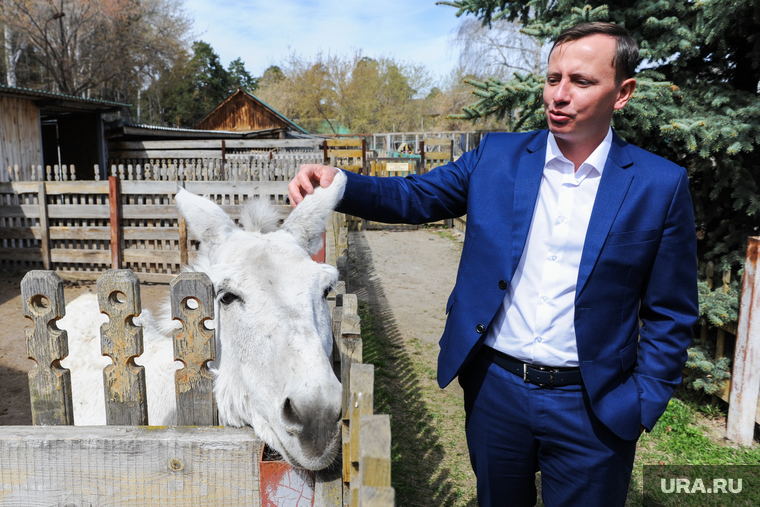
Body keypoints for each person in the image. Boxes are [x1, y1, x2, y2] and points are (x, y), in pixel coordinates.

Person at [289, 22, 698, 507]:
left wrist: (642, 400)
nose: (559, 95)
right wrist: (340, 183)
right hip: (496, 392)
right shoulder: (497, 157)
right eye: (552, 78)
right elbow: (414, 196)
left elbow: (671, 312)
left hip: (594, 406)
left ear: (623, 93)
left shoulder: (658, 184)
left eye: (581, 82)